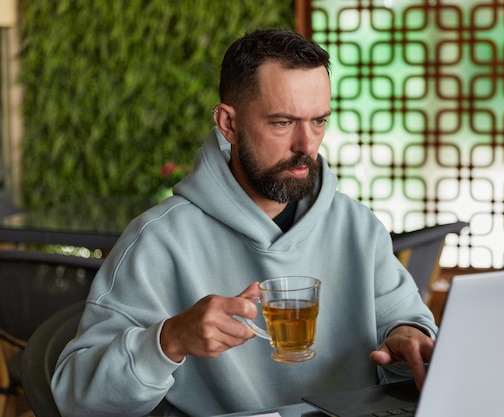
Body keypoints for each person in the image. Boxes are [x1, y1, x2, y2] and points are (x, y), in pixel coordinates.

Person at [51, 28, 437, 417]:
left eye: (319, 121)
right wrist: (170, 340)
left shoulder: (357, 226)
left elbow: (405, 323)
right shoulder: (158, 240)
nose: (307, 146)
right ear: (228, 124)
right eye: (283, 123)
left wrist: (408, 337)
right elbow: (76, 399)